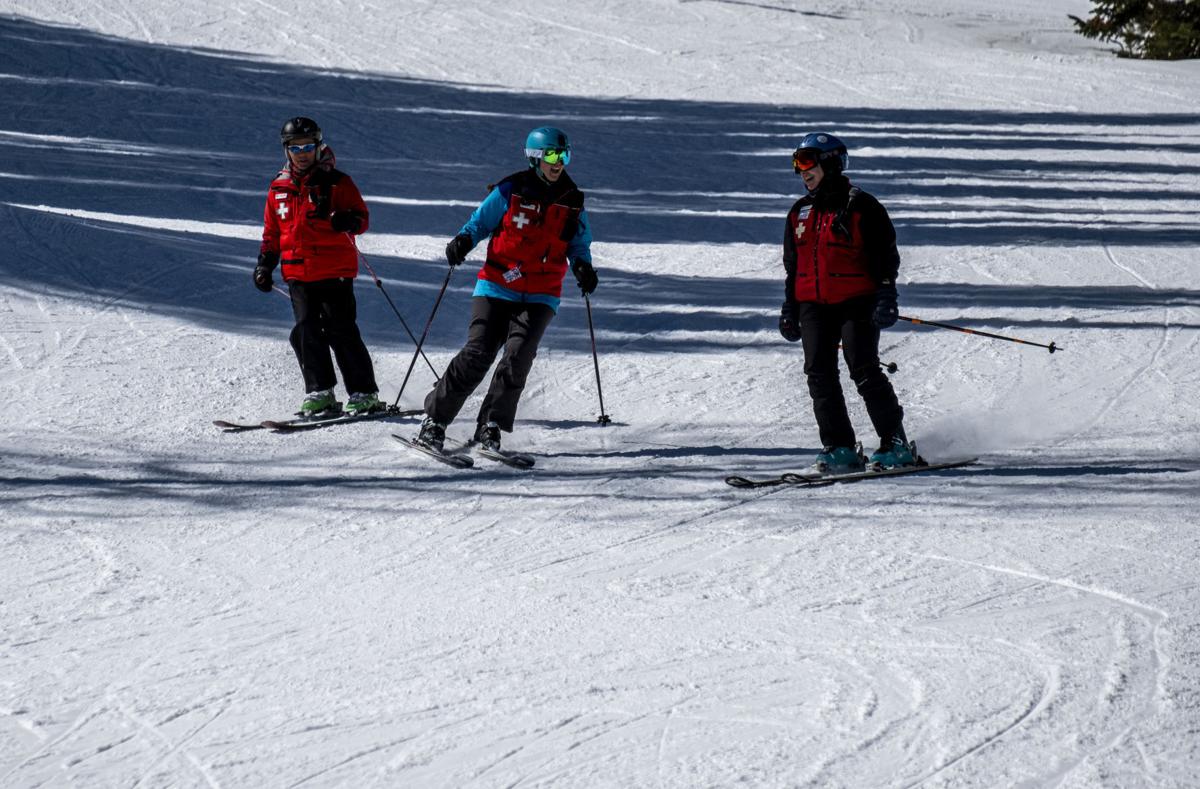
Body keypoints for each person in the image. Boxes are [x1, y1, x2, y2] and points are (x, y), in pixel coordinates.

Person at [414, 126, 597, 453]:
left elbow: (579, 244)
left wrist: (582, 267)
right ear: (536, 157)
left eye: (565, 155)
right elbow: (479, 222)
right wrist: (463, 241)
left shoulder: (572, 201)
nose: (560, 163)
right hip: (497, 285)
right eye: (554, 155)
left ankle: (491, 424)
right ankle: (435, 420)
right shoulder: (510, 190)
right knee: (478, 352)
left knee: (518, 355)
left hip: (542, 293)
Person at [779, 132, 915, 471]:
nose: (801, 171)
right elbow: (793, 267)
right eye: (797, 163)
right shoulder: (800, 212)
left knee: (864, 369)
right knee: (819, 374)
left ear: (830, 162)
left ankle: (895, 443)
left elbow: (885, 256)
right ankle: (840, 447)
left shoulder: (861, 206)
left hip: (857, 301)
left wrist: (886, 294)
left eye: (807, 162)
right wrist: (790, 307)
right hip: (812, 304)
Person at [254, 116, 382, 417]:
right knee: (305, 330)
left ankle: (364, 392)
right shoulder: (278, 188)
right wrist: (265, 264)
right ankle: (320, 391)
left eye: (308, 146)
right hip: (297, 272)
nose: (303, 154)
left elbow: (361, 219)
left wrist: (347, 220)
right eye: (296, 148)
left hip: (334, 270)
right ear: (286, 150)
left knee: (341, 329)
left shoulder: (338, 182)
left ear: (318, 145)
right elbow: (272, 233)